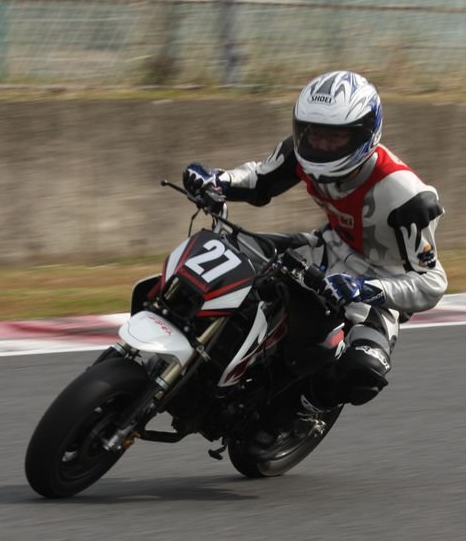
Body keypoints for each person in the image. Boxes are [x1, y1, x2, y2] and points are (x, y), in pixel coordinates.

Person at [182, 70, 447, 432]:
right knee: (224, 253)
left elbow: (432, 283)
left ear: (365, 134)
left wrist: (365, 289)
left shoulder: (409, 198)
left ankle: (305, 408)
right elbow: (259, 180)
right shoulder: (300, 151)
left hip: (381, 287)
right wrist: (217, 180)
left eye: (335, 136)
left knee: (364, 371)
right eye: (314, 133)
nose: (321, 145)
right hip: (324, 250)